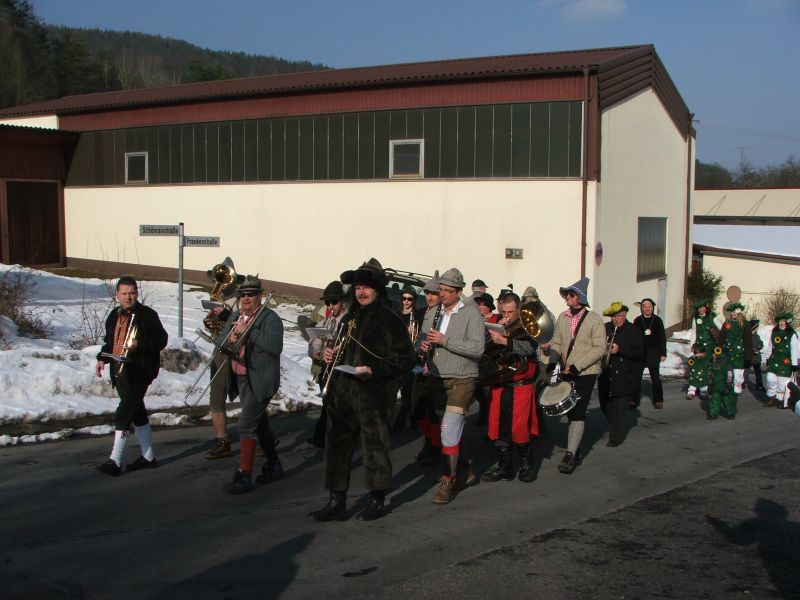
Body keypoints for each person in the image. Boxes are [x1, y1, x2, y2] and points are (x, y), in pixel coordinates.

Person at [311, 258, 416, 521]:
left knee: (375, 448)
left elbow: (406, 359)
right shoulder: (349, 318)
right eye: (358, 288)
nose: (361, 292)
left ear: (377, 290)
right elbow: (341, 349)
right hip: (343, 393)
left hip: (375, 395)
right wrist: (329, 354)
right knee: (336, 446)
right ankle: (336, 502)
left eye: (366, 287)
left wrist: (375, 371)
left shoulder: (390, 320)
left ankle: (377, 501)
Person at [419, 267, 485, 504]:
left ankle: (448, 480)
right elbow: (422, 339)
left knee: (448, 428)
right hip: (437, 377)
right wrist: (422, 346)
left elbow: (477, 348)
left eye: (447, 291)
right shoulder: (432, 313)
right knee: (449, 430)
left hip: (462, 378)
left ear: (458, 292)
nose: (442, 294)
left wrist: (445, 340)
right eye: (441, 290)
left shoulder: (471, 314)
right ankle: (464, 469)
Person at [95, 276, 168, 476]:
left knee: (124, 412)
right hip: (119, 371)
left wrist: (139, 345)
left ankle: (115, 460)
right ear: (117, 295)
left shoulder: (147, 315)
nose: (128, 297)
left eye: (132, 293)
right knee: (137, 412)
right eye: (125, 293)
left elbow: (161, 340)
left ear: (137, 294)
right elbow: (110, 343)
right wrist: (102, 358)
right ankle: (148, 457)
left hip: (140, 371)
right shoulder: (114, 315)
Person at [219, 275, 284, 494]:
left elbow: (274, 346)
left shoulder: (270, 318)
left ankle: (244, 476)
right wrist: (229, 339)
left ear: (260, 296)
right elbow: (221, 341)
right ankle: (274, 465)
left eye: (251, 295)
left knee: (246, 426)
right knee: (259, 423)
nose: (246, 299)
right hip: (240, 377)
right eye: (242, 295)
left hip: (261, 379)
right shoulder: (236, 315)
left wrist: (248, 331)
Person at [539, 277, 605, 474]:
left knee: (578, 411)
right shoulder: (562, 317)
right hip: (568, 371)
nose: (567, 298)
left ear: (580, 297)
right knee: (570, 410)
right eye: (566, 295)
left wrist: (578, 366)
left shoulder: (594, 319)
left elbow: (599, 348)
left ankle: (570, 455)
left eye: (570, 295)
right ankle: (575, 449)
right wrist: (550, 356)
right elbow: (558, 343)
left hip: (586, 372)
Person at [481, 292, 540, 483]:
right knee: (497, 426)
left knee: (519, 427)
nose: (507, 316)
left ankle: (526, 465)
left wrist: (505, 341)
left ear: (518, 310)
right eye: (504, 312)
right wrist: (493, 335)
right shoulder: (497, 324)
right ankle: (504, 466)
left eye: (510, 312)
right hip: (500, 383)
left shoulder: (528, 325)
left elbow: (529, 349)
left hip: (520, 384)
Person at [203, 260, 244, 459]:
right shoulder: (218, 298)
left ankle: (259, 439)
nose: (220, 283)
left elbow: (245, 324)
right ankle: (222, 440)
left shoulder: (242, 299)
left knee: (248, 398)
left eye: (225, 279)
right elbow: (218, 328)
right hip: (220, 351)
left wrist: (227, 315)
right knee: (216, 397)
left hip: (239, 352)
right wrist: (210, 322)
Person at [410, 272, 446, 465]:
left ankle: (435, 446)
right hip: (421, 366)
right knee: (416, 408)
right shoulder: (422, 312)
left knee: (434, 411)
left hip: (438, 368)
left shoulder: (446, 313)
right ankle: (429, 440)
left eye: (434, 293)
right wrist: (419, 345)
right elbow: (418, 339)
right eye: (427, 293)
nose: (430, 297)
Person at [307, 280, 348, 448]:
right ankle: (323, 437)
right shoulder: (324, 322)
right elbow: (312, 343)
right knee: (327, 403)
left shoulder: (347, 321)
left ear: (342, 300)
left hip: (340, 370)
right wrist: (314, 352)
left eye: (334, 302)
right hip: (325, 368)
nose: (330, 306)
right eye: (328, 302)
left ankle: (328, 438)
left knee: (334, 405)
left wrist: (335, 349)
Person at [597, 302, 644, 446]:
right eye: (612, 317)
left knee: (619, 408)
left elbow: (639, 353)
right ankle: (617, 423)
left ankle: (616, 437)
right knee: (605, 405)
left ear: (624, 316)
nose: (615, 319)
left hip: (625, 375)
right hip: (607, 374)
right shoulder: (606, 328)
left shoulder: (634, 331)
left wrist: (620, 349)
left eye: (618, 316)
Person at [393, 285, 424, 432]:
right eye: (404, 298)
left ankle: (403, 422)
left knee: (408, 392)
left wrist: (415, 334)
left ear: (414, 300)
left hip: (411, 356)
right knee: (393, 390)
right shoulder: (396, 314)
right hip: (397, 355)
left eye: (409, 299)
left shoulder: (417, 316)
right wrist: (405, 331)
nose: (406, 301)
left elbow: (421, 335)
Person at [632, 298, 667, 409]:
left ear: (652, 308)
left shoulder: (657, 320)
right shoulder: (638, 320)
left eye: (649, 306)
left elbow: (662, 337)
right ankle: (633, 400)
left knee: (655, 377)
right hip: (640, 352)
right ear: (642, 308)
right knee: (636, 377)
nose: (647, 309)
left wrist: (663, 353)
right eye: (645, 307)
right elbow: (633, 337)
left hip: (654, 352)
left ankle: (658, 400)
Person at [762, 312, 799, 409]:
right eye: (780, 322)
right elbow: (770, 346)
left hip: (785, 361)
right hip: (774, 359)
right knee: (770, 378)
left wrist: (794, 364)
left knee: (782, 382)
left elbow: (794, 350)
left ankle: (780, 399)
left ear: (787, 322)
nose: (781, 323)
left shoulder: (792, 334)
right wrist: (767, 358)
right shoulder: (774, 332)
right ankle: (772, 397)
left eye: (783, 321)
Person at [472, 292, 498, 426]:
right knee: (477, 389)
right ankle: (484, 413)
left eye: (482, 305)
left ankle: (489, 418)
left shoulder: (496, 318)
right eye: (478, 304)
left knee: (488, 390)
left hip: (490, 359)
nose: (479, 307)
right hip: (477, 359)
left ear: (488, 306)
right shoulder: (476, 318)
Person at [686, 299, 720, 399]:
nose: (701, 310)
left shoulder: (712, 317)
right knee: (695, 367)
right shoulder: (696, 318)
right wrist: (692, 345)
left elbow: (721, 328)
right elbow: (694, 331)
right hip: (698, 347)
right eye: (699, 308)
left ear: (706, 308)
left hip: (709, 347)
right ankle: (692, 389)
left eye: (702, 307)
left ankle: (703, 389)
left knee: (705, 367)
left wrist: (718, 340)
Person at [719, 302, 754, 395]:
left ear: (739, 312)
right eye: (731, 312)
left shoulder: (744, 324)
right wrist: (720, 347)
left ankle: (737, 387)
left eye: (734, 312)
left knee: (738, 371)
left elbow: (748, 340)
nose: (733, 314)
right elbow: (721, 336)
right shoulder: (727, 323)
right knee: (728, 371)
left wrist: (748, 354)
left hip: (739, 352)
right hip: (728, 351)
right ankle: (729, 386)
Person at [707, 345, 737, 420]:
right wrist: (710, 386)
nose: (713, 355)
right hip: (715, 387)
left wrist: (728, 386)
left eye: (714, 354)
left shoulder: (726, 364)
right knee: (714, 401)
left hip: (724, 386)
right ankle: (713, 414)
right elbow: (711, 376)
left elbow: (730, 376)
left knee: (727, 401)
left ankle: (731, 413)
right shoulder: (713, 365)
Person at [747, 319, 766, 392]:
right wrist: (753, 350)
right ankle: (740, 384)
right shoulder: (747, 336)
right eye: (756, 327)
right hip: (749, 357)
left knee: (758, 373)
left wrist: (758, 347)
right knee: (745, 372)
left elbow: (761, 343)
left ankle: (759, 385)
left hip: (757, 357)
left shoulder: (756, 335)